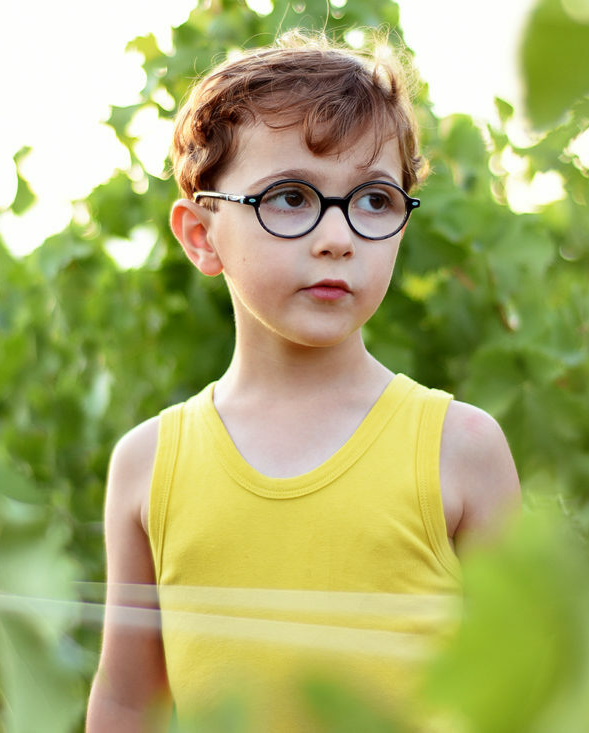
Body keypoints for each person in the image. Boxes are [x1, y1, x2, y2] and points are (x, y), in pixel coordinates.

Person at [86, 30, 520, 732]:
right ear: (201, 234)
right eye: (290, 197)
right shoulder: (147, 465)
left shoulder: (462, 447)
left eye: (374, 200)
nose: (338, 236)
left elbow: (523, 692)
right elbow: (128, 699)